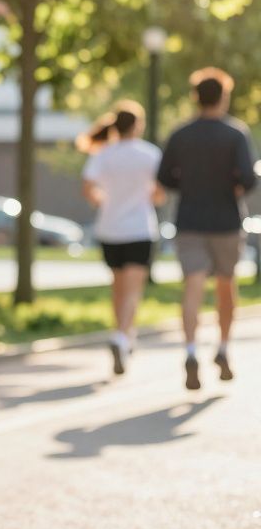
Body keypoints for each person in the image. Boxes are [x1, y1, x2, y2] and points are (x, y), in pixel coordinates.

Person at [156, 67, 257, 390]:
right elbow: (249, 179)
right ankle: (223, 348)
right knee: (226, 286)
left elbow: (164, 177)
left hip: (189, 220)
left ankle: (190, 351)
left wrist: (187, 184)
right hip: (226, 221)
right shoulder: (235, 134)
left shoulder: (180, 134)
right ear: (223, 97)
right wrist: (233, 186)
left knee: (193, 286)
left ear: (195, 97)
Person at [77, 100, 164, 376]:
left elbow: (87, 187)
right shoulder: (149, 154)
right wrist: (148, 198)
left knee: (118, 287)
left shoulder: (104, 154)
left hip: (110, 229)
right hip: (139, 229)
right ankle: (122, 336)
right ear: (138, 126)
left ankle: (123, 334)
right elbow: (160, 192)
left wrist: (102, 201)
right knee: (133, 290)